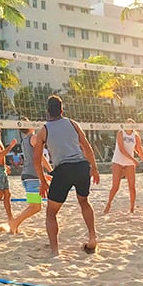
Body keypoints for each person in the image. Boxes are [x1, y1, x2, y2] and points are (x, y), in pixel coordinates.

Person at [33, 95, 99, 256]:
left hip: (63, 170)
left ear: (47, 112)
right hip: (82, 166)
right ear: (62, 110)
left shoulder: (44, 130)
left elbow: (36, 159)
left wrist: (43, 181)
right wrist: (94, 168)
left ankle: (55, 251)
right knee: (84, 201)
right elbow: (87, 147)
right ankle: (92, 237)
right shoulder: (73, 123)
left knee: (51, 213)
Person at [0, 123, 52, 234]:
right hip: (32, 177)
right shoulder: (33, 138)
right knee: (36, 207)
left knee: (34, 206)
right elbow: (40, 158)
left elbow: (34, 159)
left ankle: (15, 224)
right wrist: (51, 171)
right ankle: (14, 223)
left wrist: (43, 175)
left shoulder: (24, 141)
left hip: (28, 176)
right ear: (29, 126)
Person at [103, 119, 143, 214]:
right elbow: (121, 149)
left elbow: (140, 151)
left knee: (132, 187)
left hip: (129, 164)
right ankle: (108, 203)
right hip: (118, 162)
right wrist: (134, 160)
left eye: (131, 124)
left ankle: (132, 208)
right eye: (127, 124)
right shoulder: (120, 133)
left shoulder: (136, 136)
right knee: (115, 187)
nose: (129, 126)